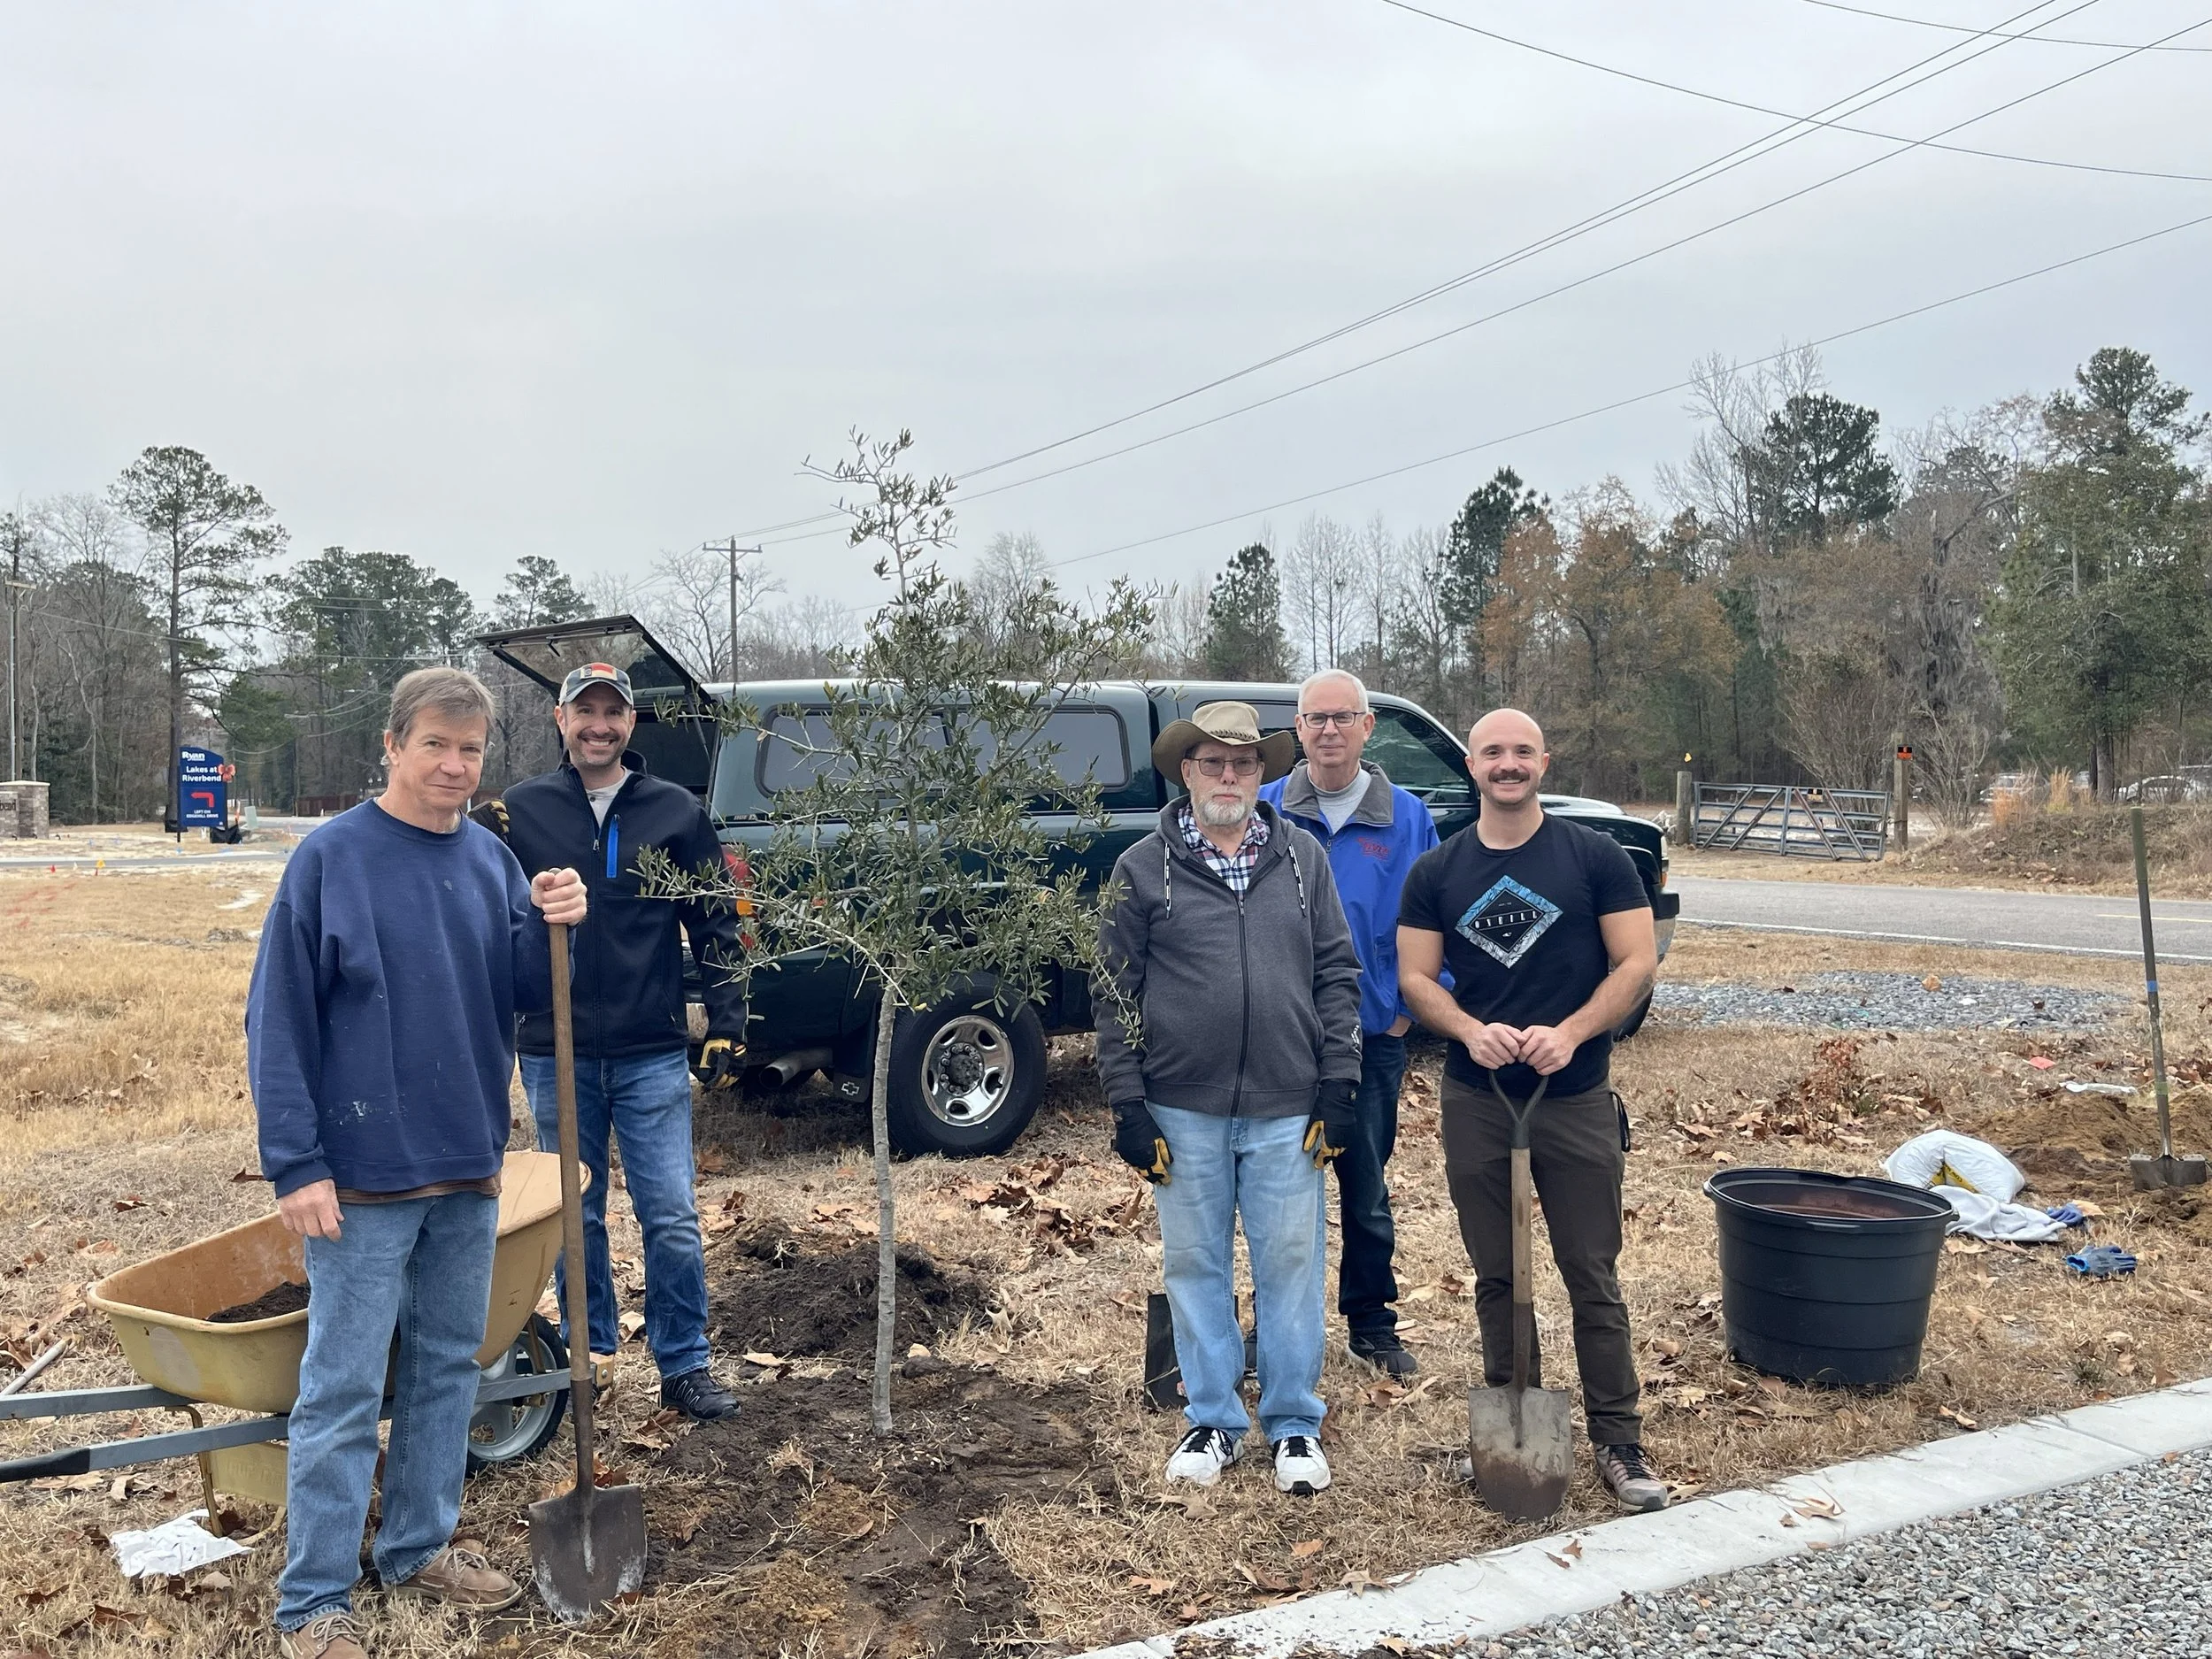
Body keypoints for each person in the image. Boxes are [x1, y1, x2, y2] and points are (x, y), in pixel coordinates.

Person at [248, 668, 588, 1659]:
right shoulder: (330, 861)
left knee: (449, 1366)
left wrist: (554, 920)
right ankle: (314, 1601)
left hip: (466, 1160)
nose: (453, 764)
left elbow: (522, 991)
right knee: (345, 1387)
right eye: (435, 743)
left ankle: (417, 1545)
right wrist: (295, 1163)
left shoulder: (488, 863)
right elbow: (278, 1022)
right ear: (392, 746)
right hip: (359, 1173)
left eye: (471, 749)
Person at [1395, 707, 1667, 1514]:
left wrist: (1574, 1031)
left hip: (1573, 1094)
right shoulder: (1437, 872)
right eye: (1491, 753)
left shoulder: (1596, 859)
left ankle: (1620, 1440)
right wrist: (1470, 1031)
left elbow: (1638, 960)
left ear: (1543, 761)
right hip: (1479, 1101)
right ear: (1472, 766)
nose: (1506, 764)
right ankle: (1520, 1425)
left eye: (1521, 751)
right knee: (1499, 1276)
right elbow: (1414, 979)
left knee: (1592, 1273)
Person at [1095, 701, 1363, 1496]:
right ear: (1186, 770)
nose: (1228, 776)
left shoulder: (1303, 859)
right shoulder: (1141, 867)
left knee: (1291, 1262)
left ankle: (1293, 1425)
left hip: (1289, 1105)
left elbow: (1337, 975)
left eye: (1243, 764)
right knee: (1196, 1262)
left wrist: (1338, 1083)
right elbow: (1113, 992)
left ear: (1263, 774)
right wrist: (1128, 1104)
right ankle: (1212, 1416)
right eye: (1212, 761)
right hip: (1181, 1108)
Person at [486, 662, 746, 1422]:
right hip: (553, 1049)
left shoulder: (677, 812)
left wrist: (727, 1021)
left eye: (613, 712)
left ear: (632, 724)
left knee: (669, 1212)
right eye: (584, 711)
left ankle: (684, 1362)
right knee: (575, 1211)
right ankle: (584, 1356)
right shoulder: (519, 812)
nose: (599, 725)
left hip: (649, 1049)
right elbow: (486, 916)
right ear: (559, 719)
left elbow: (715, 923)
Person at [1260, 669, 1438, 1379]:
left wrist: (1397, 1016)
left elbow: (1431, 922)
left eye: (1343, 717)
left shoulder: (1408, 816)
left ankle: (1372, 1322)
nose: (1328, 730)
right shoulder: (1267, 806)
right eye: (1314, 718)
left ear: (1368, 727)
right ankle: (1271, 1325)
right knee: (1275, 1195)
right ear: (1297, 731)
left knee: (1364, 1191)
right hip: (1279, 1039)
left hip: (1369, 1039)